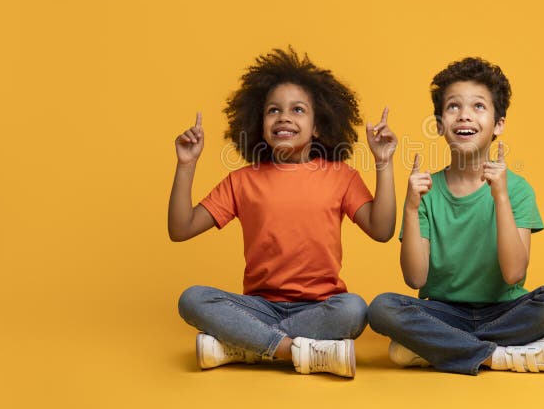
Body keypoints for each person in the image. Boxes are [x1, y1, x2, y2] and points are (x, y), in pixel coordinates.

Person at [169, 47, 397, 378]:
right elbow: (181, 227)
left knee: (354, 310)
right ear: (259, 125)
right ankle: (293, 351)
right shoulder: (242, 181)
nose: (284, 117)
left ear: (317, 126)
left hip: (321, 307)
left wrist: (384, 163)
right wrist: (186, 165)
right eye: (273, 111)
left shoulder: (341, 177)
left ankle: (244, 346)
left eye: (298, 110)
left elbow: (382, 229)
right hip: (258, 307)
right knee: (192, 299)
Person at [367, 57, 544, 375]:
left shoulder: (516, 190)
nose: (465, 114)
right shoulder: (425, 191)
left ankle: (438, 348)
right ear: (439, 124)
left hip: (504, 310)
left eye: (479, 106)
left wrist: (501, 197)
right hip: (443, 311)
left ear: (498, 124)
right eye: (453, 107)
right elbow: (415, 279)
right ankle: (498, 355)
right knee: (382, 309)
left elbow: (514, 274)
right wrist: (411, 208)